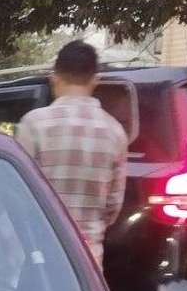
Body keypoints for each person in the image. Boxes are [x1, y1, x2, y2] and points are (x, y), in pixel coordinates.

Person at [16, 40, 127, 268]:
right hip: (89, 265)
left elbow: (19, 195)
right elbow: (113, 207)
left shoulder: (34, 124)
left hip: (42, 255)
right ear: (96, 79)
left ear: (54, 77)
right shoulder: (115, 131)